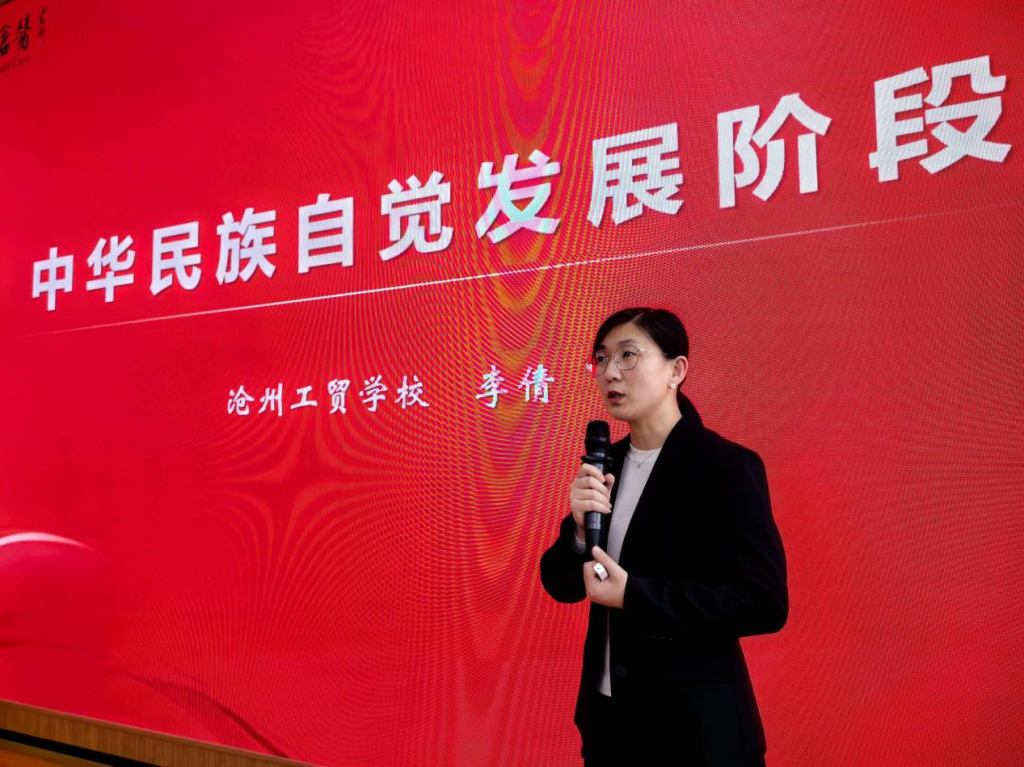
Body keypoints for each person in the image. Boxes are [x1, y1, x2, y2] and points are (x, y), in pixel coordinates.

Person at [540, 307, 788, 766]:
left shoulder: (725, 467)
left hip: (695, 732)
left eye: (627, 355)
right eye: (601, 358)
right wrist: (576, 531)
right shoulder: (604, 463)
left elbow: (764, 603)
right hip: (611, 726)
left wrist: (633, 595)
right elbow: (561, 583)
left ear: (677, 370)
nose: (610, 373)